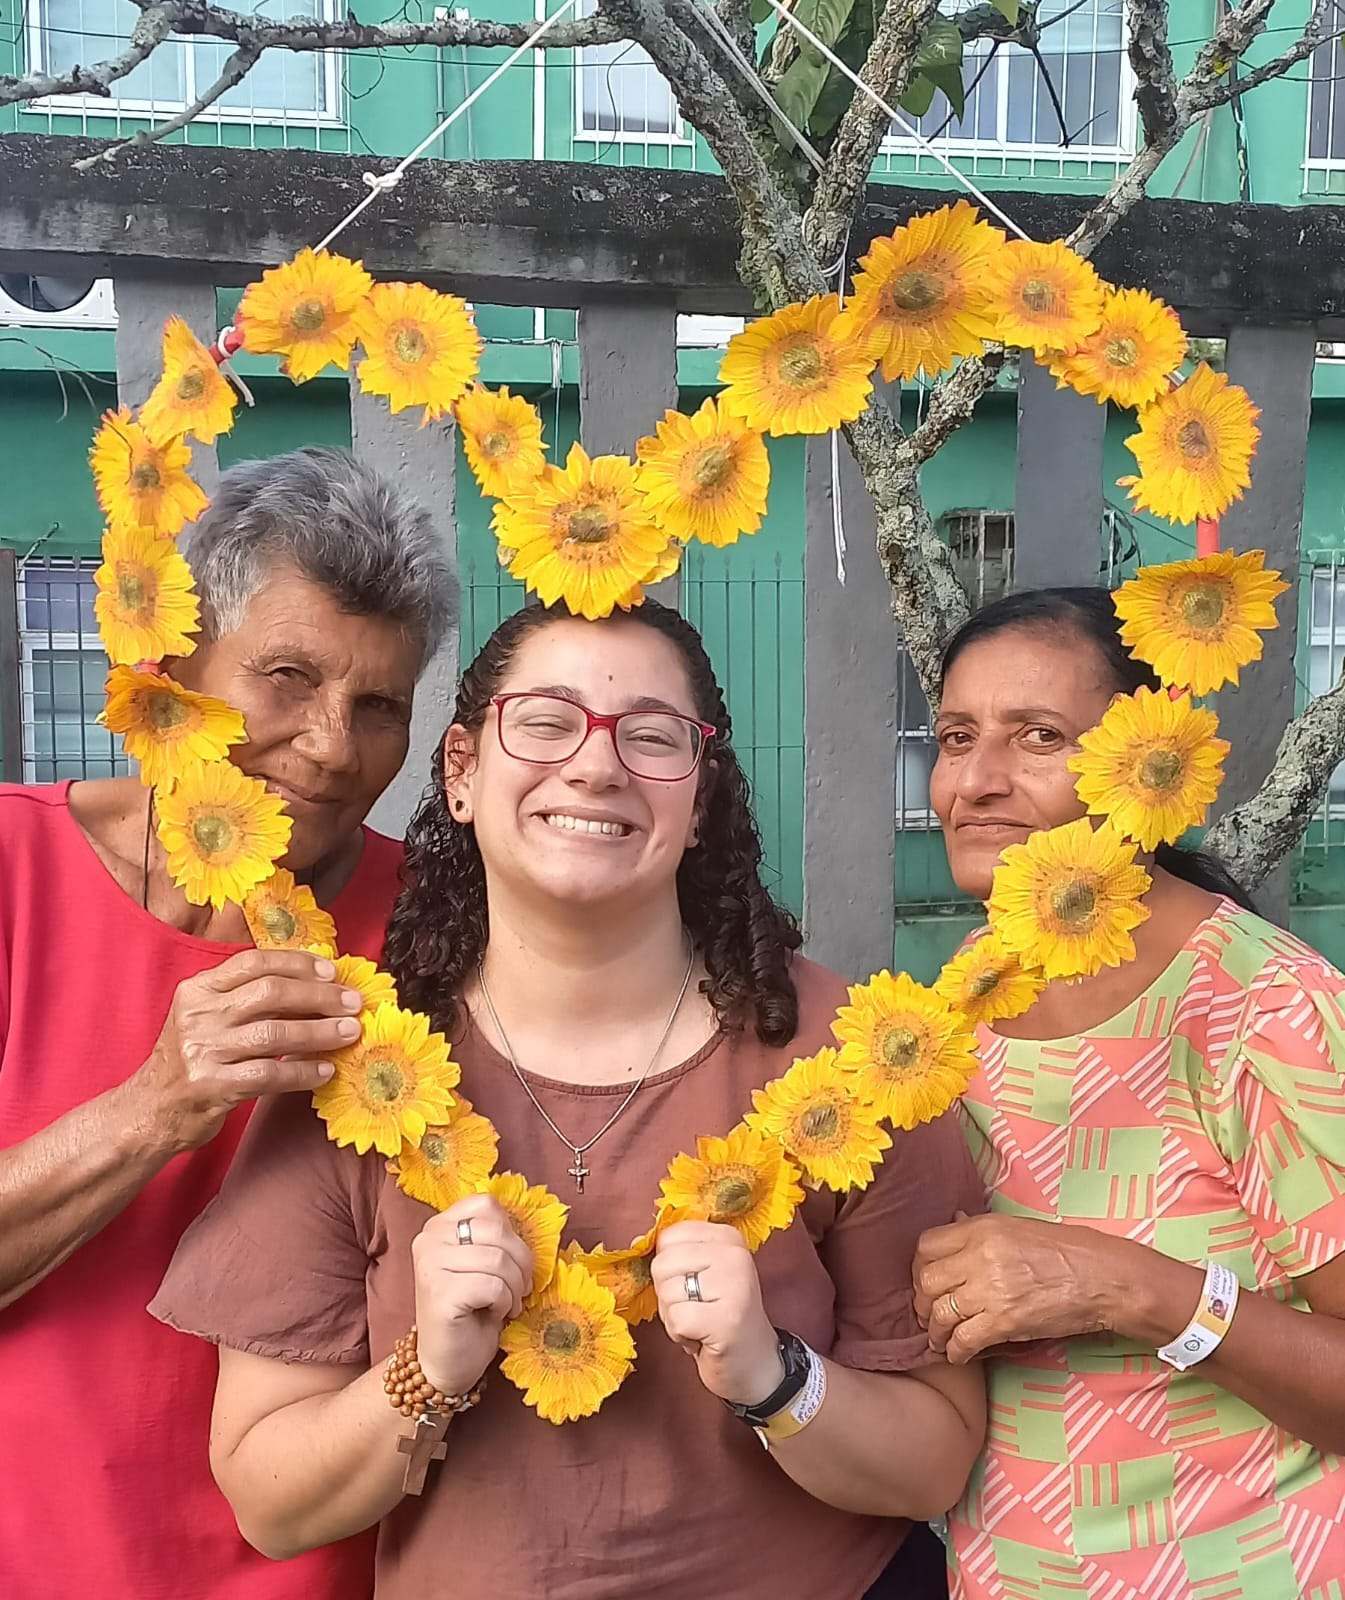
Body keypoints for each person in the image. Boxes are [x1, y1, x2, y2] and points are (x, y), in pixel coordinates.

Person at [150, 598, 986, 1600]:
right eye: (545, 723)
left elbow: (936, 1461)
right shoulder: (358, 1069)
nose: (596, 767)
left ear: (701, 798)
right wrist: (426, 1374)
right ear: (462, 771)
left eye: (652, 737)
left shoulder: (854, 1064)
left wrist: (774, 1377)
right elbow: (273, 1504)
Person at [0, 448, 456, 1600]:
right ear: (175, 663)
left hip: (327, 1567)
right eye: (288, 676)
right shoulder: (14, 866)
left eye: (379, 706)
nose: (334, 745)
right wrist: (155, 1108)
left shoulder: (441, 929)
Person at [913, 587, 1345, 1600]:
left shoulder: (1264, 1007)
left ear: (1144, 767)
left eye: (1039, 736)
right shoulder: (965, 994)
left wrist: (1127, 1287)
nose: (975, 780)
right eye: (956, 737)